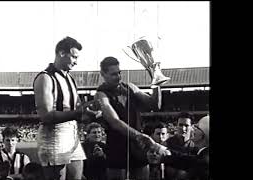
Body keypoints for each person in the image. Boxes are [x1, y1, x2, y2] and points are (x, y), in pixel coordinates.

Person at [94, 56, 169, 180]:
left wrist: (156, 81)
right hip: (116, 145)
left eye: (119, 73)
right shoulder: (101, 95)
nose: (118, 77)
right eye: (113, 74)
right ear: (103, 74)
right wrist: (139, 136)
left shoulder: (131, 87)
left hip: (137, 146)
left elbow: (155, 105)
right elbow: (114, 121)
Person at [33, 36, 97, 180]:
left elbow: (78, 107)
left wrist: (90, 111)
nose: (76, 62)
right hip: (54, 135)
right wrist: (78, 114)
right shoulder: (45, 78)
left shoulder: (69, 77)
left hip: (72, 133)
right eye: (74, 57)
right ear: (62, 53)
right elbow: (46, 116)